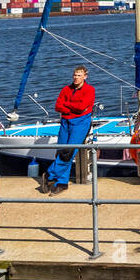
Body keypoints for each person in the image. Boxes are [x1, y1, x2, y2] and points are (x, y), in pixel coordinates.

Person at [45, 66, 95, 194]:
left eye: (79, 75)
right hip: (65, 122)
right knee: (61, 151)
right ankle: (62, 183)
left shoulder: (90, 90)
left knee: (69, 152)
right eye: (75, 75)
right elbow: (58, 106)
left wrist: (67, 105)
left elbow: (82, 107)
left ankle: (50, 174)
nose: (76, 78)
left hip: (80, 123)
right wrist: (72, 108)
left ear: (85, 76)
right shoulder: (66, 89)